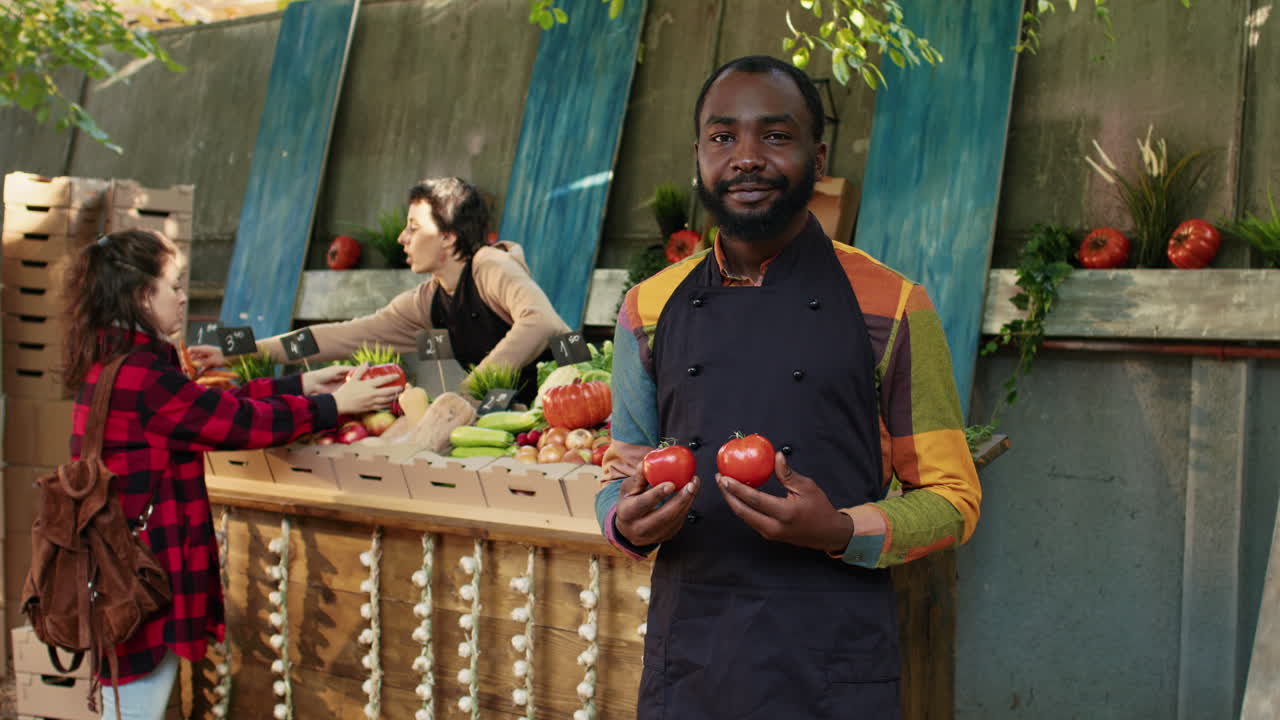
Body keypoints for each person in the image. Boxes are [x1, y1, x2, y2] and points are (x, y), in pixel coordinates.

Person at [596, 56, 983, 718]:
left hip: (830, 661)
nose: (746, 157)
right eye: (723, 137)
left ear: (817, 154)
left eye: (775, 135)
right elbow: (618, 473)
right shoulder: (647, 308)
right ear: (698, 156)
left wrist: (836, 529)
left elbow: (953, 500)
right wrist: (622, 521)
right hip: (689, 654)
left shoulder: (893, 304)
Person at [61, 229, 401, 720]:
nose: (182, 298)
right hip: (138, 575)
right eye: (173, 286)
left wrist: (303, 384)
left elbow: (209, 406)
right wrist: (332, 407)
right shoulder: (141, 376)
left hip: (122, 569)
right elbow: (236, 423)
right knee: (135, 710)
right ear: (140, 296)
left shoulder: (121, 361)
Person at [190, 177, 570, 404]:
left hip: (581, 406)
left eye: (414, 227)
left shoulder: (490, 264)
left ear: (449, 236)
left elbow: (542, 322)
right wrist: (240, 349)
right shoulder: (428, 300)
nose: (403, 238)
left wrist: (468, 390)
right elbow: (336, 337)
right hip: (523, 422)